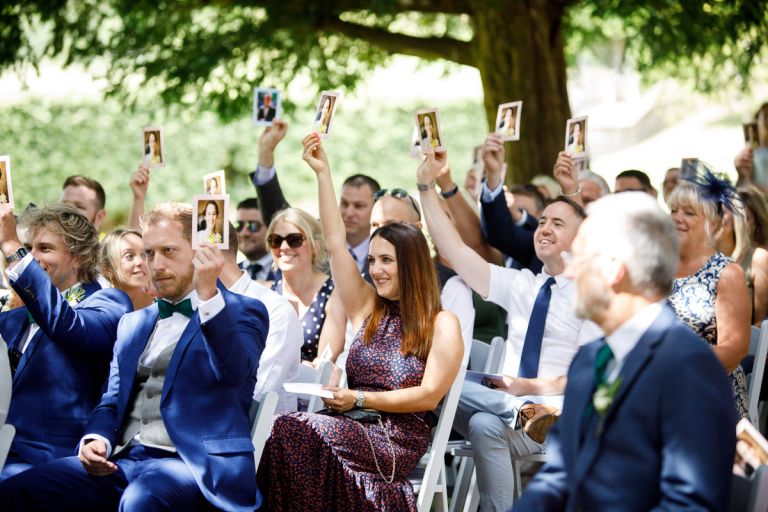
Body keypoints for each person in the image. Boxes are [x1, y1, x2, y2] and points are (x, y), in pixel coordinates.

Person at [0, 203, 269, 511]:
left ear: (202, 252)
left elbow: (234, 375)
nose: (155, 264)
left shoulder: (242, 310)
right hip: (122, 460)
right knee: (16, 492)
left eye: (169, 251)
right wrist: (95, 439)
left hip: (194, 467)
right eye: (150, 253)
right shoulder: (134, 322)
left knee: (141, 500)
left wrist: (208, 297)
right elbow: (111, 401)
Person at [256, 132, 463, 510]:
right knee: (285, 428)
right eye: (373, 260)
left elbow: (430, 394)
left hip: (395, 438)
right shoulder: (367, 306)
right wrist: (322, 172)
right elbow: (335, 244)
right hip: (348, 422)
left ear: (413, 264)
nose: (376, 270)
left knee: (292, 428)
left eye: (387, 261)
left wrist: (361, 397)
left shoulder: (442, 323)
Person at [515, 192, 737, 511]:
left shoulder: (687, 367)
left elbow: (689, 504)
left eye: (579, 259)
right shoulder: (588, 360)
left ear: (612, 269)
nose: (570, 273)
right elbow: (558, 476)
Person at [418, 147, 602, 511]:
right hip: (517, 412)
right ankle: (511, 409)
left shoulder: (592, 298)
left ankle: (513, 408)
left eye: (557, 224)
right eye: (543, 220)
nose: (544, 228)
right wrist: (425, 187)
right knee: (429, 379)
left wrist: (526, 389)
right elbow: (454, 251)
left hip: (559, 414)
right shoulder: (522, 284)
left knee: (474, 415)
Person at [0, 204, 133, 480]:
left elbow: (69, 326)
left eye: (45, 248)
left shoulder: (109, 304)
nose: (32, 257)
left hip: (49, 458)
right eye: (28, 247)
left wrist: (13, 247)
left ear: (79, 258)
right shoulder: (11, 320)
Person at [249, 119, 380, 276]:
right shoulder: (316, 236)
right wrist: (265, 154)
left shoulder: (386, 248)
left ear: (376, 208)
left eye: (359, 206)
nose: (349, 212)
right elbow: (279, 217)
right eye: (344, 204)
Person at [667, 174, 751, 418]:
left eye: (689, 213)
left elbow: (735, 348)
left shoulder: (726, 273)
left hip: (707, 391)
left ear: (712, 224)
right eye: (673, 210)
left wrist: (679, 368)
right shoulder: (658, 266)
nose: (677, 218)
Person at [219, 222, 302, 412]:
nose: (158, 265)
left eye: (170, 251)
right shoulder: (184, 307)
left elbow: (257, 394)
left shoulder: (275, 310)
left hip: (256, 433)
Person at [266, 207, 346, 364]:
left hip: (310, 386)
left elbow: (324, 364)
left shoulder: (333, 294)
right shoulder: (265, 293)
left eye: (294, 240)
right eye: (276, 240)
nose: (283, 247)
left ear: (315, 245)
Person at [478, 133, 542, 273]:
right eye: (507, 210)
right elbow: (499, 232)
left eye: (521, 210)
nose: (510, 215)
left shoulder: (538, 245)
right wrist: (493, 175)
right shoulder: (510, 243)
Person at [715, 197, 768, 325]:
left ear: (736, 218)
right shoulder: (698, 259)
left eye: (721, 212)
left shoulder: (758, 258)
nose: (715, 217)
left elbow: (760, 324)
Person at [99, 228, 154, 310]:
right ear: (107, 269)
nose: (140, 262)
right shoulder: (100, 309)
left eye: (144, 254)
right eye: (129, 256)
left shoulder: (167, 303)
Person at [738, 185, 768, 325]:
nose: (741, 225)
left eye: (747, 218)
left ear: (758, 221)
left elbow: (760, 322)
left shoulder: (760, 256)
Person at [236, 197, 273, 281]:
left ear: (271, 228)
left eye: (253, 226)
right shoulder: (228, 274)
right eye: (239, 225)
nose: (244, 233)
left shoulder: (286, 273)